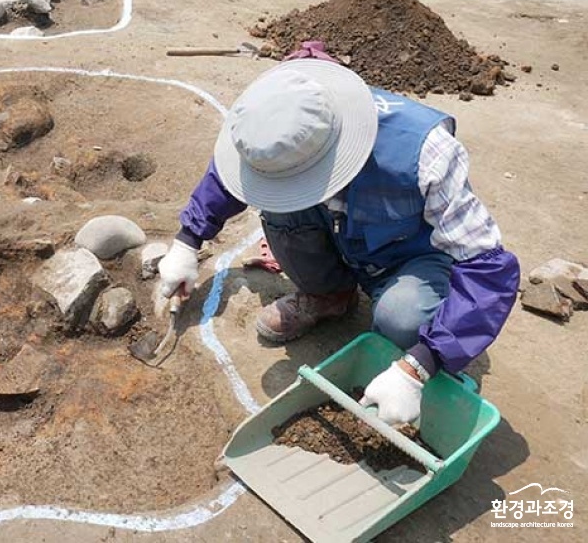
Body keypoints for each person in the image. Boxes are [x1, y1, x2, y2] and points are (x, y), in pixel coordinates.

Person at [156, 49, 520, 425]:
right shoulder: (273, 126)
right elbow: (233, 174)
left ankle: (412, 348)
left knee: (401, 317)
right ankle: (330, 296)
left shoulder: (424, 151)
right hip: (342, 236)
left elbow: (487, 268)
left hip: (411, 257)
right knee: (280, 205)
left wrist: (419, 366)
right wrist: (188, 240)